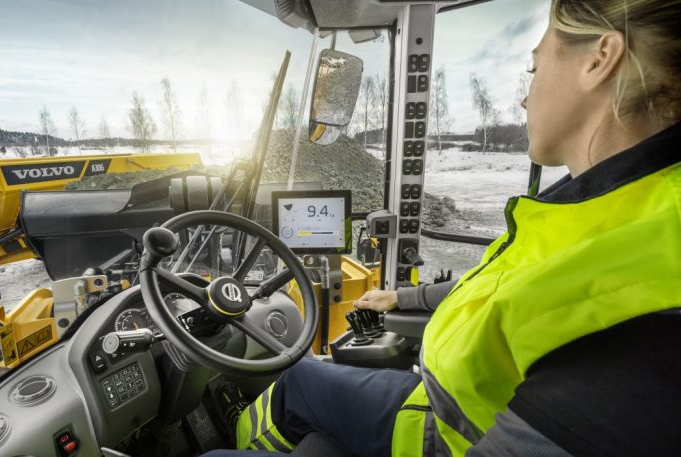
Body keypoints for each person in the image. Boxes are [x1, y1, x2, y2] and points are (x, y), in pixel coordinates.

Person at [205, 0, 681, 455]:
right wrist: (401, 298)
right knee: (299, 379)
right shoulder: (606, 209)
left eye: (533, 69)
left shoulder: (654, 275)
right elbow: (503, 291)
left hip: (444, 439)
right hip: (446, 408)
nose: (523, 94)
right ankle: (239, 432)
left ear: (599, 58)